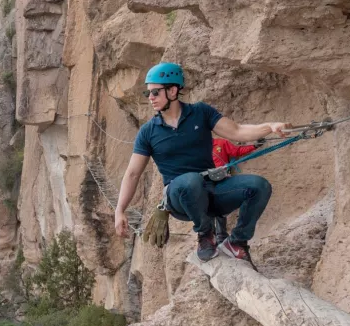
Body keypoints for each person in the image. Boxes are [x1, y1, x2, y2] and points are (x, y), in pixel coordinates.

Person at [114, 62, 290, 265]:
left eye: (155, 92)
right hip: (179, 197)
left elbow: (237, 131)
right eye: (148, 94)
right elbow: (132, 174)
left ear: (172, 90)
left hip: (211, 189)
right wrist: (120, 211)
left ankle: (237, 242)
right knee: (190, 181)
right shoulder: (148, 132)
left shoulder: (200, 113)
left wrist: (270, 127)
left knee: (259, 186)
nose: (150, 98)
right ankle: (206, 235)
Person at [211, 138, 262, 245]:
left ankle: (220, 234)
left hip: (222, 178)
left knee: (219, 205)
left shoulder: (221, 143)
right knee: (206, 205)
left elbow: (236, 151)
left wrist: (254, 146)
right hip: (206, 180)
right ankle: (211, 235)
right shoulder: (197, 149)